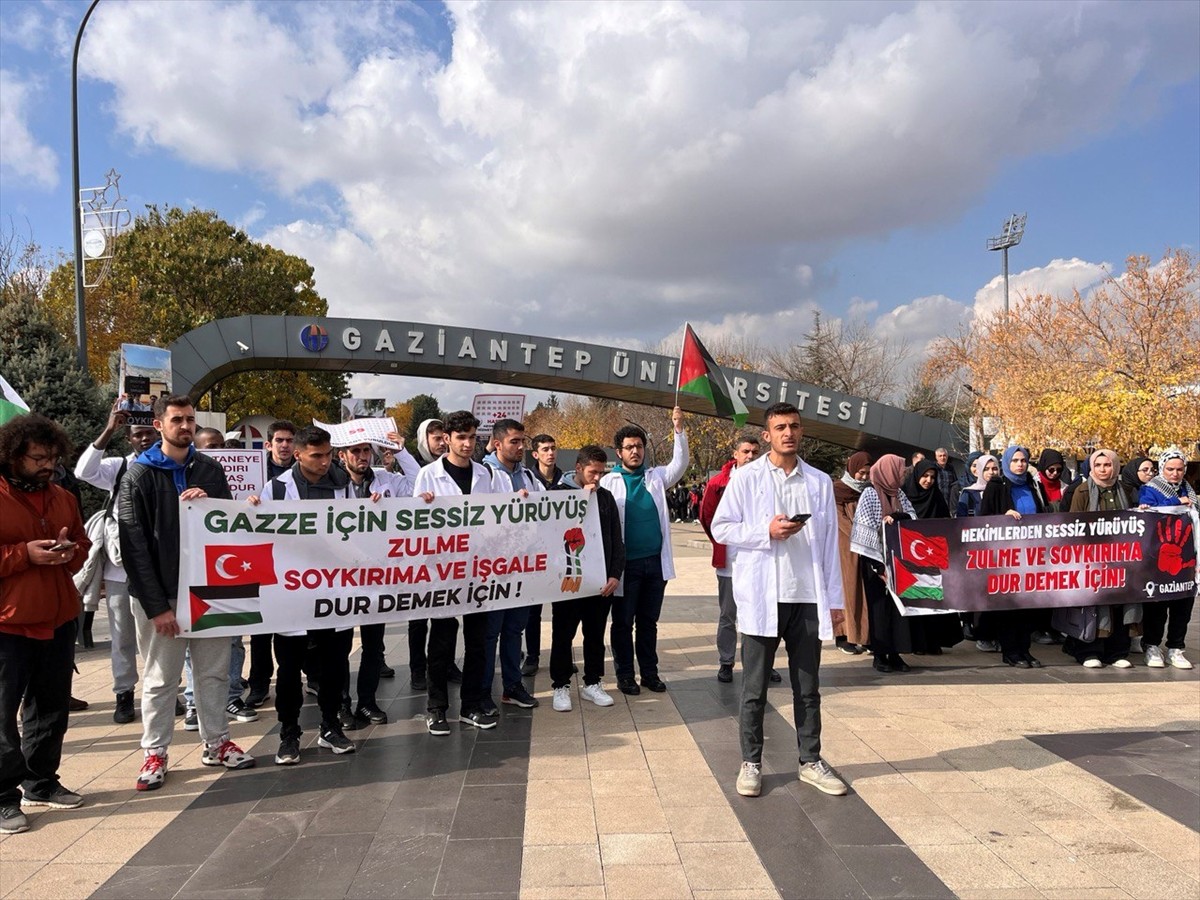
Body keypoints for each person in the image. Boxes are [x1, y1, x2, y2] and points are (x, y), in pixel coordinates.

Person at [711, 402, 847, 799]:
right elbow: (722, 527)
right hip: (762, 597)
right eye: (780, 427)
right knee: (754, 688)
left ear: (801, 432)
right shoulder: (747, 477)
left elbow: (827, 546)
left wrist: (835, 601)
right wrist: (765, 530)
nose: (788, 433)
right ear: (767, 435)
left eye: (794, 426)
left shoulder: (819, 481)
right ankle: (751, 762)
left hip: (806, 595)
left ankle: (810, 761)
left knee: (808, 687)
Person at [119, 395, 254, 791]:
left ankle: (216, 742)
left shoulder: (209, 469)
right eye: (177, 419)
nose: (185, 426)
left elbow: (228, 526)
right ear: (159, 425)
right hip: (163, 596)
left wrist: (212, 503)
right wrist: (157, 606)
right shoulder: (139, 475)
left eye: (190, 420)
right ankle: (155, 753)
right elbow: (134, 546)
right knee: (162, 679)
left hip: (208, 592)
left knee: (212, 674)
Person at [1, 414, 91, 834]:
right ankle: (3, 799)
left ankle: (41, 782)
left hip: (57, 617)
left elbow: (82, 544)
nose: (48, 465)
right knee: (2, 716)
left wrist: (69, 551)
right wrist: (25, 555)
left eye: (53, 457)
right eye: (38, 458)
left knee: (50, 709)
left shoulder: (62, 495)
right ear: (13, 456)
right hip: (8, 625)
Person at [256, 426, 359, 764]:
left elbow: (361, 532)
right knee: (288, 669)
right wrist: (251, 510)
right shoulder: (275, 489)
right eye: (317, 456)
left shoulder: (344, 487)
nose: (324, 461)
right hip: (292, 593)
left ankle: (331, 726)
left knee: (333, 665)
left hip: (333, 590)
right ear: (298, 454)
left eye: (328, 454)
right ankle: (289, 732)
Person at [412, 411, 506, 735]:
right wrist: (420, 507)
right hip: (443, 571)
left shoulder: (487, 475)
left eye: (472, 438)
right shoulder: (427, 475)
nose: (467, 444)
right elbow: (412, 524)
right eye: (460, 438)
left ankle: (472, 705)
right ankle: (436, 707)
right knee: (441, 641)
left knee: (477, 642)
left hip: (478, 570)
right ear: (447, 439)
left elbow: (499, 517)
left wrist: (520, 503)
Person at [73, 401, 158, 725]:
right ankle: (124, 694)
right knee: (123, 636)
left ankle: (163, 690)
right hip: (122, 569)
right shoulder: (119, 468)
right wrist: (109, 428)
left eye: (149, 433)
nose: (144, 439)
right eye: (138, 434)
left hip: (160, 568)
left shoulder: (169, 467)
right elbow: (84, 471)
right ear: (130, 438)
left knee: (158, 636)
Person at [601, 407, 688, 696]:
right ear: (619, 453)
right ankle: (626, 675)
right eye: (629, 447)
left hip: (654, 564)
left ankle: (650, 672)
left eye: (638, 446)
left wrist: (678, 429)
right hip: (625, 567)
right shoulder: (607, 483)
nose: (635, 451)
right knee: (623, 623)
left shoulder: (656, 477)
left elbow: (681, 462)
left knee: (648, 622)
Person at [334, 436, 415, 726]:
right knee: (340, 648)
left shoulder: (386, 480)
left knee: (373, 645)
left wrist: (401, 451)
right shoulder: (330, 483)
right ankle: (341, 704)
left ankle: (367, 702)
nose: (362, 456)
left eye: (366, 450)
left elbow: (419, 482)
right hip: (340, 579)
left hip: (376, 578)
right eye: (355, 451)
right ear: (343, 455)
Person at [699, 434, 781, 682]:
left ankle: (761, 664)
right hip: (730, 563)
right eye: (746, 451)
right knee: (728, 615)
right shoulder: (718, 483)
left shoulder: (770, 480)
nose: (751, 456)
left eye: (755, 452)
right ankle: (726, 662)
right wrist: (721, 543)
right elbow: (708, 517)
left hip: (761, 560)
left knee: (761, 613)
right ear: (735, 454)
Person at [550, 445, 625, 711]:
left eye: (601, 473)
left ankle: (592, 682)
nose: (597, 478)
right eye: (593, 472)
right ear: (579, 468)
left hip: (599, 582)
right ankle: (560, 685)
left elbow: (617, 538)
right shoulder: (557, 494)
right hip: (568, 583)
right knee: (563, 634)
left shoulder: (605, 498)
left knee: (595, 635)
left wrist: (615, 574)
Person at [1054, 449, 1138, 668]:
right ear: (1091, 467)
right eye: (1098, 465)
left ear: (1115, 467)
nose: (1103, 469)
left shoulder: (1126, 490)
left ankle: (1117, 652)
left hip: (1122, 559)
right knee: (1093, 605)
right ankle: (1088, 651)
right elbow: (1073, 526)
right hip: (1091, 559)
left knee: (1120, 604)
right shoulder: (1081, 491)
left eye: (1107, 465)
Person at [481, 419, 541, 713]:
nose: (520, 447)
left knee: (515, 629)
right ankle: (481, 692)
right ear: (497, 443)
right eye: (514, 442)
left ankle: (512, 686)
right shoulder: (484, 474)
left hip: (521, 566)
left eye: (522, 442)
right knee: (489, 633)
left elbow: (551, 506)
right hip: (491, 568)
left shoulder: (528, 476)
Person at [979, 446, 1047, 669]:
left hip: (1033, 554)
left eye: (1024, 460)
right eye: (1015, 460)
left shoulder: (1032, 484)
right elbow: (983, 520)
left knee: (1028, 605)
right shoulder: (997, 486)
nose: (1020, 464)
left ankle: (1024, 649)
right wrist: (1003, 516)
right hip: (1006, 556)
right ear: (1007, 462)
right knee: (1009, 606)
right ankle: (1010, 651)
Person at [851, 455, 916, 674]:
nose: (901, 475)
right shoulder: (870, 493)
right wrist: (878, 567)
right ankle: (880, 655)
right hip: (875, 562)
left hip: (898, 562)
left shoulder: (899, 493)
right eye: (898, 471)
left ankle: (896, 653)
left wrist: (897, 516)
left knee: (898, 610)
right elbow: (865, 529)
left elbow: (912, 517)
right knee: (879, 610)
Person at [406, 418, 458, 692]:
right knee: (418, 620)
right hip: (421, 558)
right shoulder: (419, 468)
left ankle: (447, 664)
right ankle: (418, 668)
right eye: (434, 438)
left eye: (442, 437)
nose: (440, 443)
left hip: (449, 558)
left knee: (447, 617)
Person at [1138, 449, 1196, 670]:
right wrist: (1175, 501)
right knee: (1158, 605)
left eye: (1179, 469)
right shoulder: (1150, 489)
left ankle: (1176, 647)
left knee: (1183, 604)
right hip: (1158, 558)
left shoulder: (1189, 491)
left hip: (1186, 557)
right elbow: (1149, 511)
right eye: (1170, 469)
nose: (1175, 473)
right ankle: (1152, 644)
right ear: (1162, 468)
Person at [900, 459, 963, 656]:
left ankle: (933, 640)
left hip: (932, 558)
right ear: (916, 476)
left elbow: (945, 524)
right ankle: (917, 642)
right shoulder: (905, 496)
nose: (928, 480)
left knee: (934, 600)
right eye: (925, 476)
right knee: (916, 599)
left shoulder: (936, 497)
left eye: (932, 477)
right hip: (911, 559)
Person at [524, 433, 569, 676]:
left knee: (564, 611)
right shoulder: (527, 480)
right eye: (545, 449)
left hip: (563, 553)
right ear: (535, 454)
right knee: (533, 611)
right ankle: (532, 655)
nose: (550, 453)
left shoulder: (569, 480)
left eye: (553, 448)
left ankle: (562, 654)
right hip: (536, 553)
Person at [957, 454, 1001, 651]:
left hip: (1000, 553)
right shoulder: (968, 493)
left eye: (995, 469)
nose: (991, 473)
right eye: (987, 469)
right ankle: (980, 632)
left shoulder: (1003, 490)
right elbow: (961, 520)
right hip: (976, 552)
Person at [831, 451, 872, 655]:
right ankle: (844, 635)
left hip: (866, 548)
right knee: (848, 591)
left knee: (864, 593)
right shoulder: (838, 490)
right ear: (851, 469)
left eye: (867, 473)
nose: (864, 477)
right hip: (845, 549)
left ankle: (863, 635)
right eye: (860, 473)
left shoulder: (869, 491)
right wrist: (863, 536)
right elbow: (840, 520)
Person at [933, 448, 959, 514]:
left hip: (949, 502)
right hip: (936, 502)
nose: (942, 458)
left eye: (944, 455)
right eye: (940, 456)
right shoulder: (933, 468)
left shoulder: (951, 468)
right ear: (936, 457)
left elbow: (955, 484)